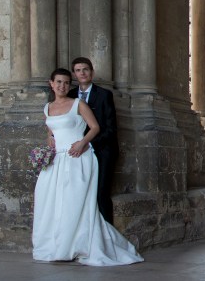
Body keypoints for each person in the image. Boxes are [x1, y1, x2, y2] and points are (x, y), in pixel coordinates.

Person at [32, 68, 142, 266]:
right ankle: (55, 244)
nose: (62, 86)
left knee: (73, 201)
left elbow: (96, 127)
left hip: (77, 157)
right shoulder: (47, 107)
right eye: (58, 82)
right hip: (56, 160)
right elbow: (50, 129)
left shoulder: (78, 104)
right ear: (51, 84)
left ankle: (74, 245)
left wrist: (83, 143)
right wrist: (49, 143)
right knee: (50, 200)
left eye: (66, 82)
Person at [68, 57, 118, 223]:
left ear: (92, 72)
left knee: (101, 192)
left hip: (102, 150)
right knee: (80, 192)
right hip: (78, 152)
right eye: (78, 70)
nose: (82, 73)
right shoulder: (70, 95)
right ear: (74, 74)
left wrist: (88, 143)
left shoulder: (104, 95)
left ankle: (107, 236)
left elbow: (110, 129)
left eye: (85, 69)